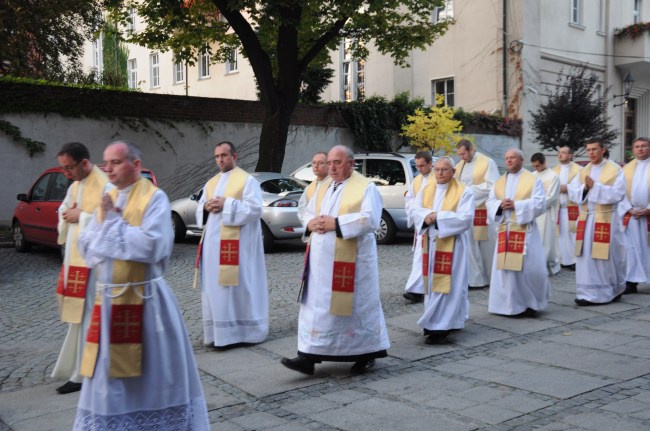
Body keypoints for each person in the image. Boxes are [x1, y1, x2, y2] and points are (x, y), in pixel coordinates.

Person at [75, 141, 209, 430]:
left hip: (145, 301)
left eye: (115, 162)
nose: (107, 168)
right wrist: (106, 226)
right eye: (105, 163)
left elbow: (154, 246)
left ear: (135, 165)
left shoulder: (155, 198)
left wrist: (111, 223)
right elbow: (88, 246)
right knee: (105, 377)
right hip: (108, 303)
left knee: (151, 372)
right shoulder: (107, 195)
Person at [281, 145, 390, 375]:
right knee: (317, 308)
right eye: (329, 163)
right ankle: (308, 356)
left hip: (353, 264)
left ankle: (366, 353)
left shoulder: (365, 188)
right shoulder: (323, 187)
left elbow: (371, 219)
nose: (331, 167)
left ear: (351, 164)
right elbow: (308, 211)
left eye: (337, 163)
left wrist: (337, 224)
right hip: (321, 264)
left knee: (355, 308)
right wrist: (311, 223)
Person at [196, 141, 268, 347]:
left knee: (238, 288)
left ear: (234, 156)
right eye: (217, 156)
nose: (220, 159)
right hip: (213, 249)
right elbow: (200, 208)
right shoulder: (210, 183)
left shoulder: (247, 181)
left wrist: (227, 204)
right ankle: (219, 335)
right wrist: (206, 206)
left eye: (224, 155)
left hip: (239, 248)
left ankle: (243, 333)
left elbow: (255, 209)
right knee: (215, 288)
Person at [52, 142, 110, 395]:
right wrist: (66, 213)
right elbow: (64, 208)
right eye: (63, 168)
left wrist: (81, 217)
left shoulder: (105, 185)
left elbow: (111, 221)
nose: (66, 173)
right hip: (75, 263)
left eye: (69, 168)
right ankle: (78, 369)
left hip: (94, 267)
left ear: (85, 163)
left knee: (92, 318)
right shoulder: (75, 185)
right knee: (79, 319)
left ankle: (88, 370)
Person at [412, 157, 474, 344]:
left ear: (453, 172)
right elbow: (415, 210)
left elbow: (465, 218)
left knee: (449, 286)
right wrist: (426, 216)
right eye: (437, 169)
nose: (439, 173)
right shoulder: (426, 189)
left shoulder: (464, 191)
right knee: (432, 285)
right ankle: (435, 320)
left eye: (444, 170)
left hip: (453, 245)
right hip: (430, 244)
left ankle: (441, 326)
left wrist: (437, 217)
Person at [486, 148, 550, 317]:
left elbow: (540, 203)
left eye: (512, 157)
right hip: (505, 230)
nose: (508, 160)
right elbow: (490, 201)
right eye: (506, 158)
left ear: (521, 160)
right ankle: (508, 305)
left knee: (529, 269)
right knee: (505, 272)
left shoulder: (532, 180)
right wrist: (499, 205)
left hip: (524, 231)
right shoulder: (499, 182)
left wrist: (517, 205)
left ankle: (529, 303)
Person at [568, 138, 626, 305]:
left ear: (603, 150)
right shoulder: (583, 170)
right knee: (585, 256)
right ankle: (586, 293)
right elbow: (573, 192)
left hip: (606, 218)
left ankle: (610, 290)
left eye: (594, 149)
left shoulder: (615, 169)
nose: (591, 153)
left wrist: (596, 186)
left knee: (606, 256)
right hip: (587, 219)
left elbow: (618, 193)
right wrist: (585, 188)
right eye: (588, 150)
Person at [454, 139, 500, 288]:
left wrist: (467, 191)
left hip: (483, 210)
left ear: (471, 149)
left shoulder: (487, 162)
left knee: (486, 247)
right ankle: (474, 279)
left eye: (463, 154)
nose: (461, 157)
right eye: (459, 154)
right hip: (467, 210)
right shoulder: (459, 166)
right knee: (470, 246)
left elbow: (492, 186)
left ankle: (489, 277)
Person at [618, 137, 650, 294]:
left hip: (648, 215)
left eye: (644, 146)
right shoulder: (626, 168)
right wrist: (628, 208)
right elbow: (620, 192)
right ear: (633, 149)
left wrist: (649, 209)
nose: (640, 149)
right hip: (632, 215)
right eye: (637, 146)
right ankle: (631, 282)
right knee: (631, 249)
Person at [403, 150, 434, 304]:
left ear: (430, 163)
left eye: (422, 166)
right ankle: (416, 289)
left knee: (427, 259)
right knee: (419, 258)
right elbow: (409, 198)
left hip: (433, 227)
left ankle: (418, 289)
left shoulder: (439, 178)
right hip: (421, 226)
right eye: (417, 166)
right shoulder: (417, 180)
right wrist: (414, 210)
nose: (419, 169)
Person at [531, 153, 561, 275]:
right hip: (533, 212)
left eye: (538, 166)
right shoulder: (532, 176)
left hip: (546, 213)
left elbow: (551, 197)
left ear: (544, 162)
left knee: (546, 240)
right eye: (534, 166)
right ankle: (534, 264)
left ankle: (545, 266)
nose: (536, 169)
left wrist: (535, 205)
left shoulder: (554, 177)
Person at [552, 146, 582, 271]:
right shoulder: (554, 171)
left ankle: (575, 260)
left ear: (570, 155)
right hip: (559, 208)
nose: (560, 155)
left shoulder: (579, 170)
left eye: (563, 153)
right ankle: (562, 260)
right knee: (560, 235)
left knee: (573, 234)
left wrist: (568, 188)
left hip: (573, 208)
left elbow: (583, 187)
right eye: (559, 153)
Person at [297, 151, 331, 230]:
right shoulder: (310, 188)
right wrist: (309, 223)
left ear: (328, 165)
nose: (316, 166)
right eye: (314, 163)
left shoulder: (334, 184)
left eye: (320, 163)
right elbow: (302, 209)